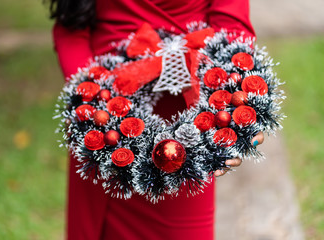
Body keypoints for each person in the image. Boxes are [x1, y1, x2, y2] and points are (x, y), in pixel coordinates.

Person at [50, 0, 265, 239]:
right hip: (107, 118)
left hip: (188, 126)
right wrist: (87, 98)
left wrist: (237, 104)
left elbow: (232, 27)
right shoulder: (98, 113)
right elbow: (71, 25)